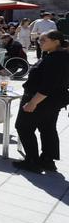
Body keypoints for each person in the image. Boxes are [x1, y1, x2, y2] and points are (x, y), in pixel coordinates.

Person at [13, 31, 69, 173]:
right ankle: (47, 160)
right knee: (47, 128)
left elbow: (48, 85)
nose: (40, 43)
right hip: (53, 100)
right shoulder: (59, 56)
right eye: (39, 40)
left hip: (41, 99)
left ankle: (32, 161)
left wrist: (33, 102)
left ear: (56, 41)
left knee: (23, 127)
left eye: (43, 40)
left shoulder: (56, 59)